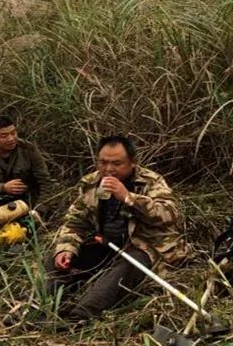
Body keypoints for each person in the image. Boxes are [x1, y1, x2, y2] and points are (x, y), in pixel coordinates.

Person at [44, 135, 185, 321]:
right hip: (106, 244)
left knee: (130, 264)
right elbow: (75, 221)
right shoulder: (91, 183)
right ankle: (41, 306)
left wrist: (129, 198)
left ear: (132, 162)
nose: (108, 169)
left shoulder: (150, 181)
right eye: (103, 162)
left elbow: (170, 215)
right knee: (55, 259)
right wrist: (66, 248)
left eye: (116, 163)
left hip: (144, 248)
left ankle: (81, 316)